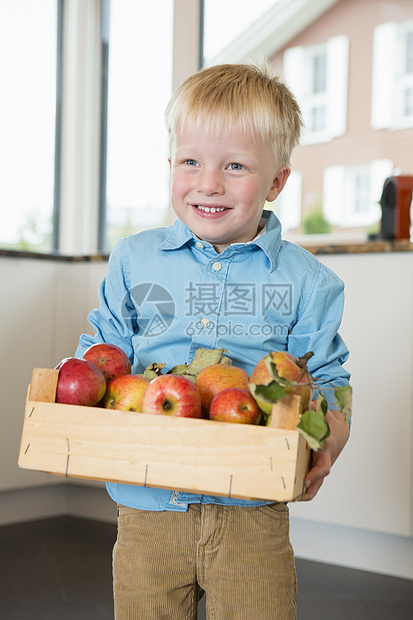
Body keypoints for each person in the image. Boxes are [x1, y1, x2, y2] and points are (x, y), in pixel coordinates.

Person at [76, 62, 350, 619]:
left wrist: (330, 436)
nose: (208, 183)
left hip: (251, 505)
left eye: (235, 166)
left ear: (276, 181)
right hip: (148, 502)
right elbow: (101, 355)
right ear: (170, 165)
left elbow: (328, 380)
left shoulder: (310, 282)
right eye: (191, 162)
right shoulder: (133, 260)